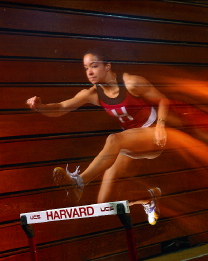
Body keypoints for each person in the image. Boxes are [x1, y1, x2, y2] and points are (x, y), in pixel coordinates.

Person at [26, 49, 170, 225]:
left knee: (113, 139)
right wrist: (41, 107)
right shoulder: (92, 94)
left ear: (107, 66)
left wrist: (161, 125)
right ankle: (148, 198)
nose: (90, 72)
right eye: (86, 68)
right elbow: (62, 107)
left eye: (94, 66)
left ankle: (79, 182)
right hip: (130, 140)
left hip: (153, 135)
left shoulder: (131, 83)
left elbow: (163, 100)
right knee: (104, 202)